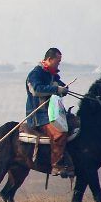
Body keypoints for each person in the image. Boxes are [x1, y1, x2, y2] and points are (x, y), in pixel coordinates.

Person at [26, 47, 73, 177]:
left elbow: (60, 86)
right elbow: (36, 90)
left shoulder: (52, 74)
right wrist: (56, 89)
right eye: (57, 61)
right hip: (39, 116)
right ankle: (56, 166)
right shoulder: (35, 74)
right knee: (60, 132)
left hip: (52, 114)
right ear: (49, 59)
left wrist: (64, 88)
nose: (59, 64)